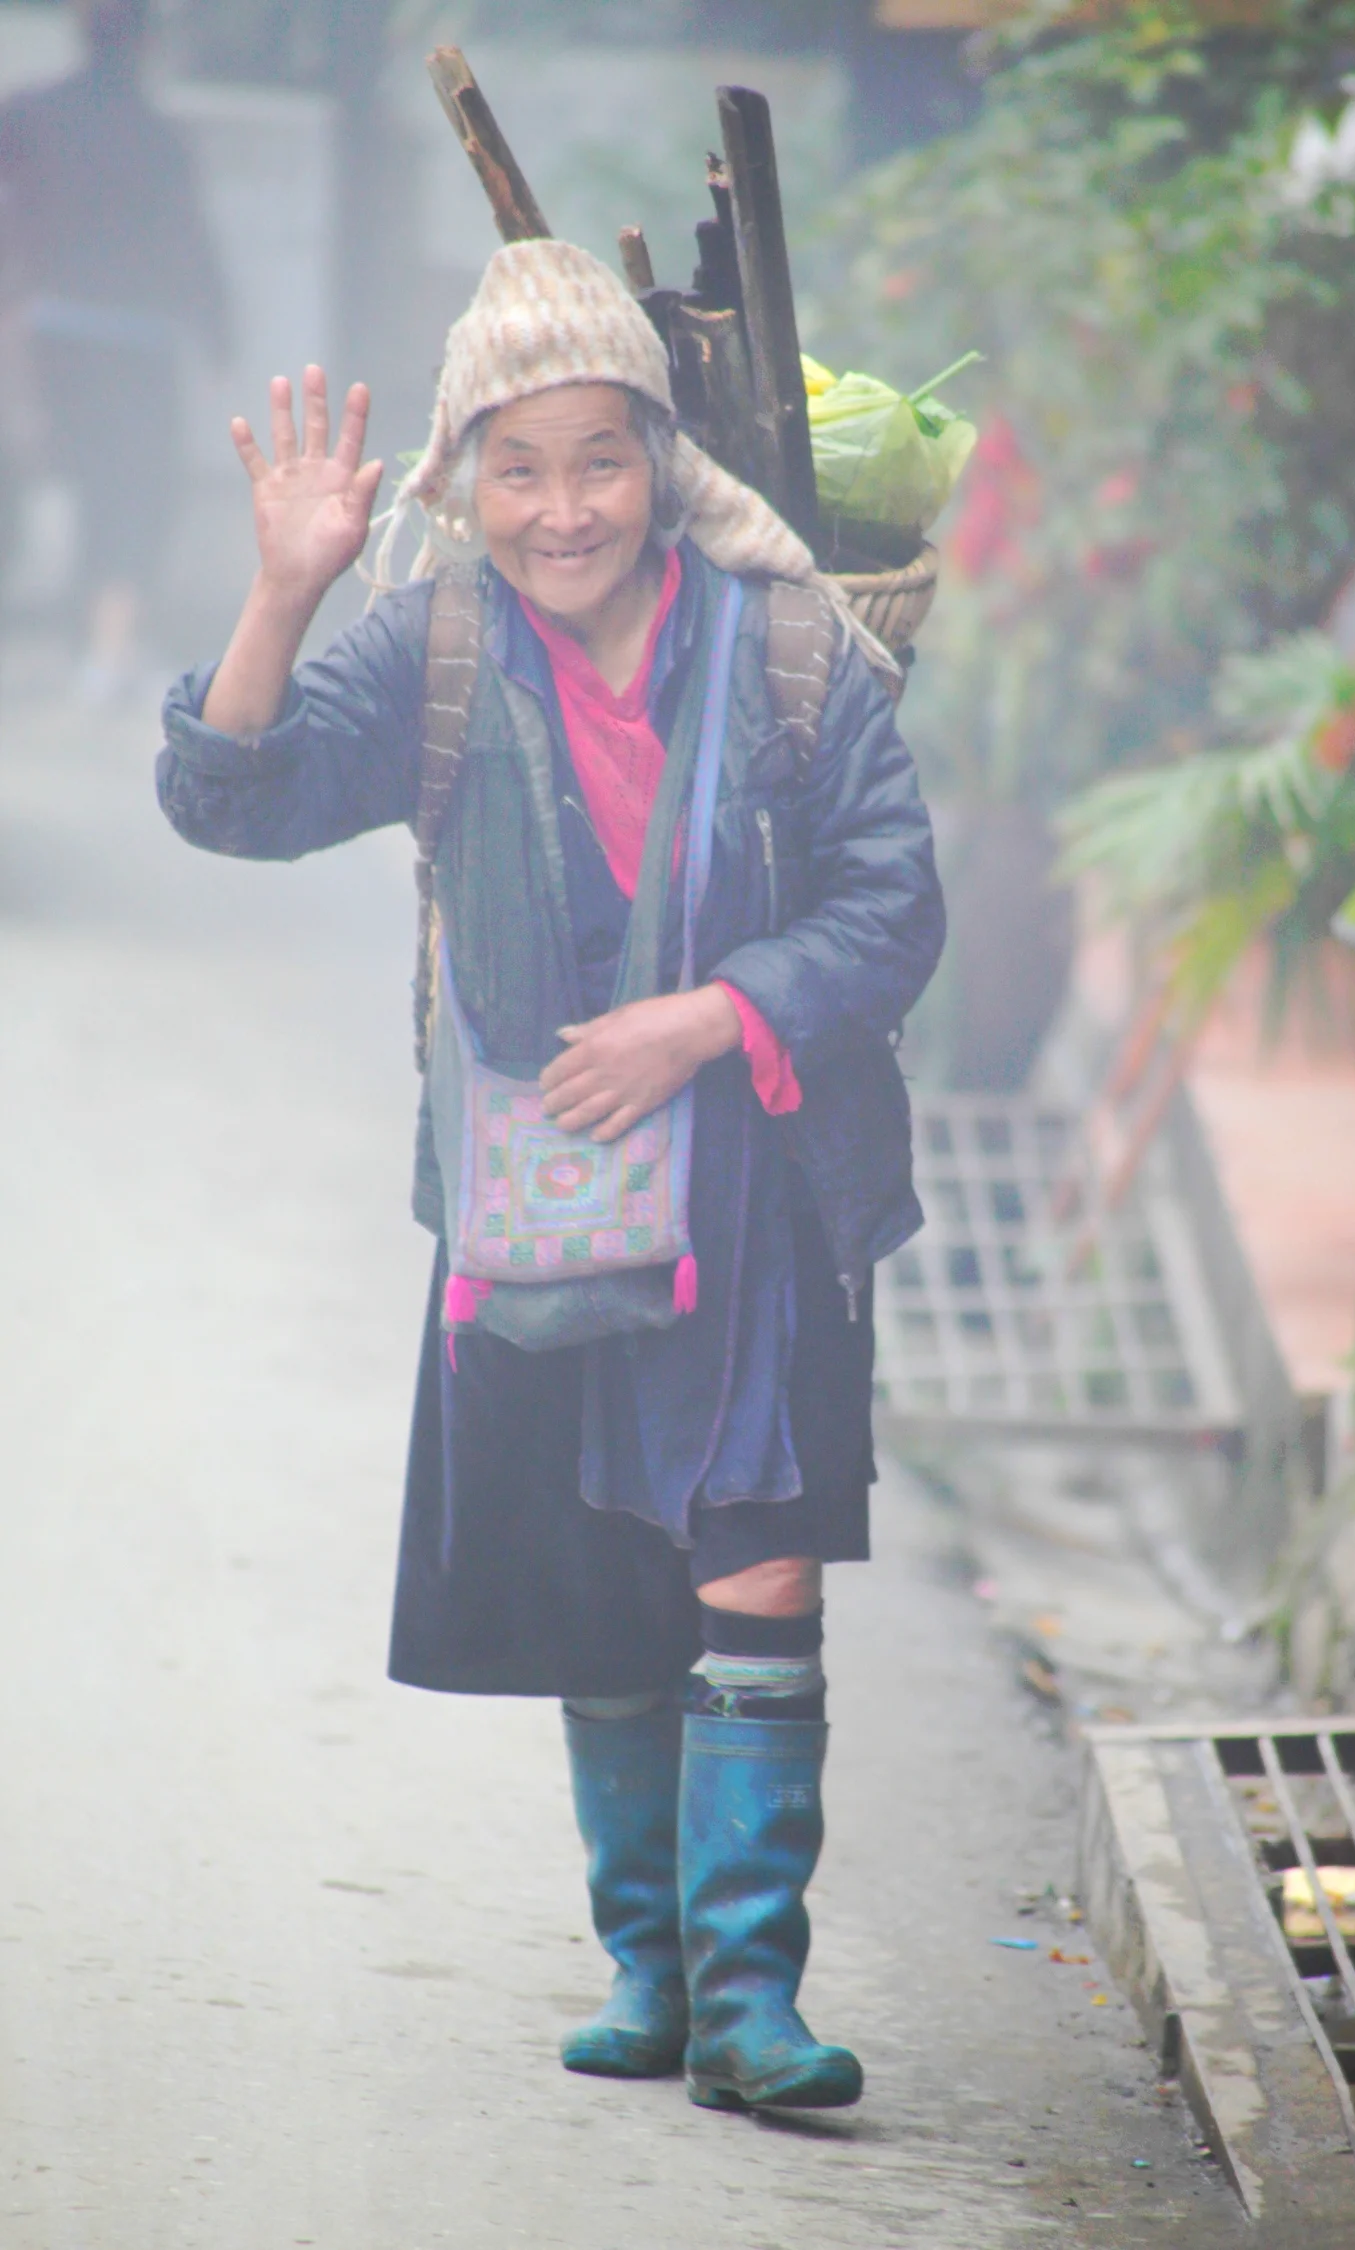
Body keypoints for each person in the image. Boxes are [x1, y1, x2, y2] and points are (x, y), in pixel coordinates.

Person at [157, 239, 944, 2113]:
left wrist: (702, 1019)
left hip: (757, 1202)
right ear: (463, 483)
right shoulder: (434, 654)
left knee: (751, 1566)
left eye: (599, 459)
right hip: (543, 1215)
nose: (562, 506)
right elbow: (229, 804)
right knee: (608, 1589)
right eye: (518, 467)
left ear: (658, 464)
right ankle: (651, 1972)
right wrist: (283, 589)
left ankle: (755, 2003)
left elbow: (893, 909)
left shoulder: (794, 651)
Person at [0, 0, 227, 696]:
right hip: (137, 344)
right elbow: (191, 244)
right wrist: (219, 332)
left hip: (56, 333)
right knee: (131, 493)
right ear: (145, 44)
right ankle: (105, 648)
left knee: (67, 482)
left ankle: (92, 646)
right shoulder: (159, 136)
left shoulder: (29, 116)